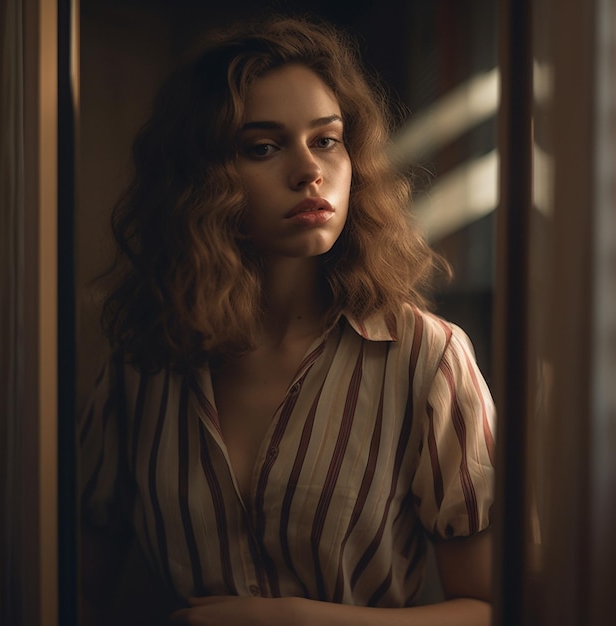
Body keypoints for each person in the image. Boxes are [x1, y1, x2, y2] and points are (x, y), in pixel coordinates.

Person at [79, 14, 496, 626]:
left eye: (326, 140)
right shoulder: (147, 359)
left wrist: (301, 619)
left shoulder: (425, 358)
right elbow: (69, 584)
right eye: (263, 147)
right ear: (202, 180)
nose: (308, 171)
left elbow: (492, 609)